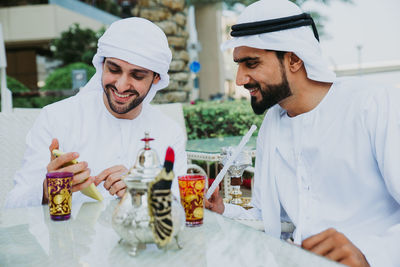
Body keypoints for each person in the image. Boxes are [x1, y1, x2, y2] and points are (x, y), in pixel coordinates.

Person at [205, 1, 400, 266]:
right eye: (239, 65)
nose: (239, 79)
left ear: (294, 59)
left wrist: (370, 255)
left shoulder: (373, 104)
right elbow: (275, 219)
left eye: (251, 63)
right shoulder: (272, 124)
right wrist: (223, 210)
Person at [5, 17, 187, 208]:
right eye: (114, 69)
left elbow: (181, 205)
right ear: (101, 65)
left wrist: (143, 193)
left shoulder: (168, 131)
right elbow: (13, 205)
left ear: (156, 78)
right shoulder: (56, 118)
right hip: (70, 237)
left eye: (137, 75)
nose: (121, 85)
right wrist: (47, 188)